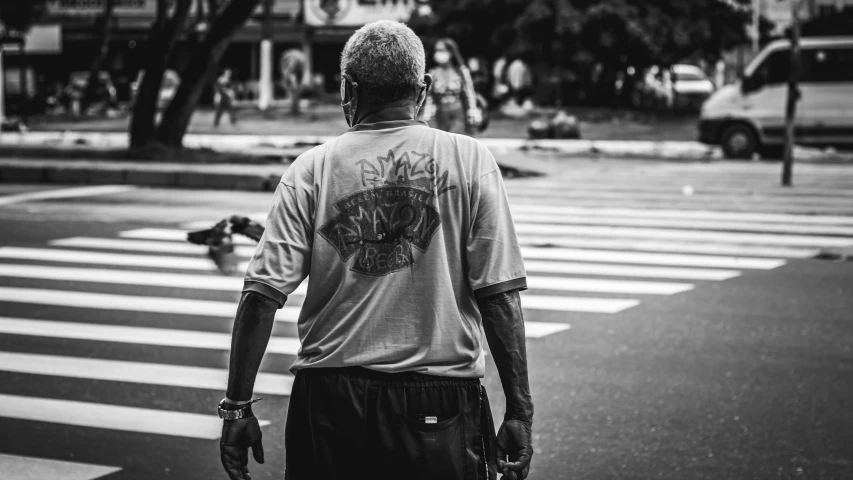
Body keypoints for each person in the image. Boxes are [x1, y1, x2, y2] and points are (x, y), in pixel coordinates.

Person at [213, 20, 533, 480]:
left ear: (348, 89)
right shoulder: (471, 161)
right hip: (439, 401)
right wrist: (520, 411)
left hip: (329, 402)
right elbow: (500, 297)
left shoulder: (311, 169)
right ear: (421, 90)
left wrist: (236, 407)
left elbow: (260, 297)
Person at [422, 38, 482, 135]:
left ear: (450, 52)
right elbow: (430, 98)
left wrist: (473, 111)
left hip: (458, 113)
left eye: (441, 50)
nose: (438, 53)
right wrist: (427, 116)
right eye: (436, 50)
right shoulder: (433, 73)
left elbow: (470, 93)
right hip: (440, 115)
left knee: (455, 141)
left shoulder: (461, 72)